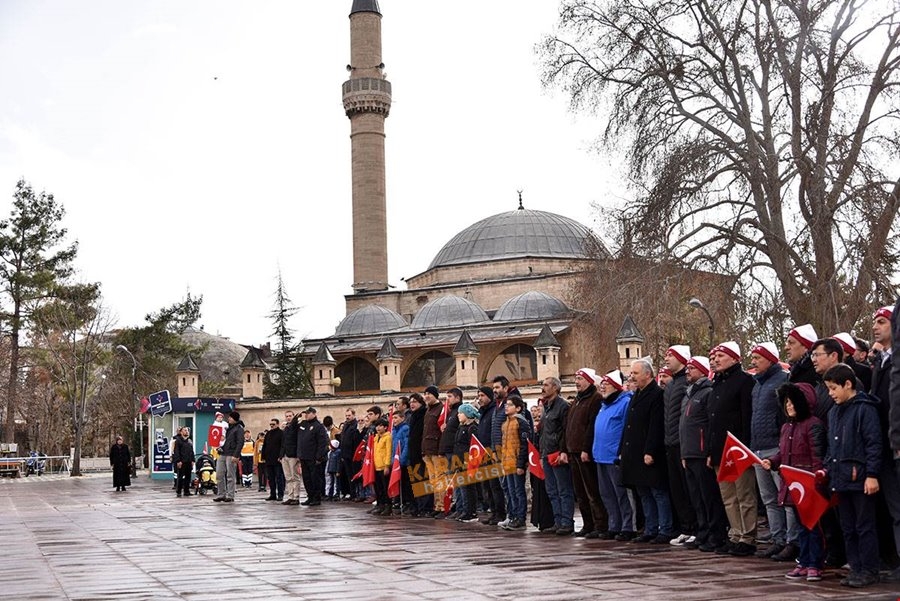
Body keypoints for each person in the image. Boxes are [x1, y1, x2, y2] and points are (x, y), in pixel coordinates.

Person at [822, 363, 882, 588]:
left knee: (864, 525)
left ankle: (869, 569)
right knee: (847, 527)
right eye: (827, 389)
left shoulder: (865, 409)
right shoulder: (834, 412)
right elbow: (831, 446)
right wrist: (827, 469)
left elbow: (873, 443)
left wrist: (872, 474)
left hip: (861, 478)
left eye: (833, 388)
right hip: (840, 479)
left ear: (848, 384)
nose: (830, 394)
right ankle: (855, 567)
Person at [760, 382, 826, 582]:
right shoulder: (786, 427)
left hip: (808, 485)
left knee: (813, 527)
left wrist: (817, 479)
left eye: (792, 402)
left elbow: (817, 456)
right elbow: (783, 453)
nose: (789, 406)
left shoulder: (813, 424)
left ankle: (815, 563)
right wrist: (772, 462)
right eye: (786, 402)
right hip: (792, 485)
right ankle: (804, 562)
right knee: (801, 526)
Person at [708, 341, 757, 556]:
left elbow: (746, 416)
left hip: (738, 449)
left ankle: (748, 537)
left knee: (744, 494)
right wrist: (711, 451)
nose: (716, 359)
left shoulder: (745, 381)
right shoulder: (716, 384)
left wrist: (746, 447)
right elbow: (712, 421)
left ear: (735, 358)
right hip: (719, 450)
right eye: (715, 356)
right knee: (728, 496)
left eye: (721, 355)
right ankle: (735, 534)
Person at [748, 342, 795, 561]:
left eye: (758, 358)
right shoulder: (757, 386)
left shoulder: (783, 380)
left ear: (769, 359)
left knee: (784, 497)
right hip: (758, 448)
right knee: (768, 498)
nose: (754, 362)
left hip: (777, 446)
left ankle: (791, 541)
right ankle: (778, 539)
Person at [621, 359, 672, 544]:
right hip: (634, 452)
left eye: (635, 373)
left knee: (658, 492)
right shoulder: (637, 394)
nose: (631, 377)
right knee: (643, 492)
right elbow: (629, 425)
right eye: (631, 373)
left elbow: (655, 425)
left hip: (650, 452)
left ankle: (665, 529)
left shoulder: (656, 394)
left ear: (648, 374)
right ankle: (650, 528)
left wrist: (650, 451)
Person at [679, 356, 728, 553]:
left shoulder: (707, 392)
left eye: (691, 368)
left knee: (709, 496)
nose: (687, 371)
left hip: (700, 453)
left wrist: (708, 450)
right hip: (689, 452)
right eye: (687, 368)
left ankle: (716, 533)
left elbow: (709, 425)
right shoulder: (689, 394)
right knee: (696, 497)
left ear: (701, 370)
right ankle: (703, 531)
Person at [592, 370, 635, 541]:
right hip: (600, 456)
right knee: (607, 494)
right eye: (601, 384)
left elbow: (627, 429)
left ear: (616, 386)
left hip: (614, 456)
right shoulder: (604, 405)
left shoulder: (625, 402)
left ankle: (627, 526)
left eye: (606, 384)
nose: (602, 387)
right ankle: (614, 524)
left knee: (622, 494)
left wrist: (623, 452)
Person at [567, 367, 608, 538]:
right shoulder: (577, 400)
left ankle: (600, 525)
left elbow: (591, 426)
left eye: (580, 379)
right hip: (573, 450)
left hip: (584, 452)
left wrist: (586, 448)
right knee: (580, 492)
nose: (577, 382)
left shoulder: (595, 399)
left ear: (590, 381)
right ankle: (587, 524)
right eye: (576, 378)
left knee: (592, 490)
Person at [662, 345, 698, 546]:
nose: (667, 358)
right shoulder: (670, 385)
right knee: (677, 489)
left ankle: (695, 527)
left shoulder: (686, 383)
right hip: (670, 443)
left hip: (683, 444)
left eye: (670, 355)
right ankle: (685, 527)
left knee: (688, 489)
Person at [540, 376, 574, 535]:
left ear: (555, 388)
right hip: (547, 453)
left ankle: (567, 522)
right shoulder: (546, 407)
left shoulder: (562, 406)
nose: (543, 387)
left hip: (557, 453)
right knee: (552, 490)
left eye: (546, 385)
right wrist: (541, 454)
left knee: (563, 489)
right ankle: (558, 520)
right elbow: (543, 433)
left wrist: (563, 451)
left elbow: (565, 431)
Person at [499, 395, 532, 531]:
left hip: (516, 462)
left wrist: (521, 464)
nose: (506, 407)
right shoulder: (506, 423)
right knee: (511, 491)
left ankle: (520, 518)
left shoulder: (520, 422)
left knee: (519, 491)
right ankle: (512, 516)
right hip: (507, 462)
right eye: (506, 404)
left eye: (510, 405)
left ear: (518, 408)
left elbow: (524, 445)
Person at [297, 406, 330, 506]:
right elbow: (293, 429)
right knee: (306, 479)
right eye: (305, 413)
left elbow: (322, 443)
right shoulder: (303, 424)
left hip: (313, 457)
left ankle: (316, 498)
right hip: (304, 456)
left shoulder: (318, 426)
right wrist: (297, 417)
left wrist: (319, 457)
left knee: (315, 478)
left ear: (314, 413)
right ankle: (310, 496)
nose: (306, 415)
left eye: (308, 413)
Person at [454, 402, 480, 522]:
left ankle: (471, 511)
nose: (458, 415)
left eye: (461, 413)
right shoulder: (461, 427)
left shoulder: (472, 428)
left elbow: (473, 446)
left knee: (468, 487)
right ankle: (465, 509)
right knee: (462, 487)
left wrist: (468, 460)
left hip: (467, 461)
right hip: (459, 461)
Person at [213, 411, 244, 502]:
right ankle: (221, 494)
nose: (229, 419)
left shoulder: (239, 428)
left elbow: (240, 442)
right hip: (223, 453)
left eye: (230, 417)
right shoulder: (228, 428)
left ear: (235, 419)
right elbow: (225, 441)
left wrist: (236, 455)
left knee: (230, 475)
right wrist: (220, 447)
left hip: (231, 454)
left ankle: (230, 495)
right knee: (219, 474)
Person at [371, 418, 393, 515]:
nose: (378, 428)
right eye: (377, 426)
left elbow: (388, 452)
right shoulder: (376, 438)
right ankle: (381, 505)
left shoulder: (387, 437)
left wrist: (387, 465)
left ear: (385, 427)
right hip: (376, 465)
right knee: (378, 488)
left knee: (385, 488)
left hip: (383, 466)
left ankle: (388, 506)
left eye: (380, 426)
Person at [281, 410, 302, 505]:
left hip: (293, 455)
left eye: (290, 416)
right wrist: (280, 455)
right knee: (288, 477)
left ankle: (296, 497)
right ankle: (290, 496)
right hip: (285, 455)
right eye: (287, 416)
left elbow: (298, 441)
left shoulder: (296, 427)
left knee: (295, 477)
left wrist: (298, 455)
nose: (288, 418)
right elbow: (283, 442)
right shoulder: (286, 428)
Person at [262, 417, 285, 501]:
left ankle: (280, 494)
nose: (271, 426)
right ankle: (272, 494)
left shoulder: (281, 433)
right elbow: (265, 445)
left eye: (273, 424)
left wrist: (281, 456)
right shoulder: (268, 434)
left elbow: (283, 446)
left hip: (277, 459)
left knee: (279, 478)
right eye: (270, 424)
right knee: (270, 478)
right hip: (269, 459)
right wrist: (263, 456)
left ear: (277, 424)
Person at [172, 426, 195, 497]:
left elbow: (192, 451)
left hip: (188, 461)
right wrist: (178, 461)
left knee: (188, 477)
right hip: (181, 462)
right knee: (180, 477)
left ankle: (186, 491)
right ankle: (178, 491)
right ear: (181, 432)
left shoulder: (189, 441)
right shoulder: (178, 441)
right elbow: (176, 451)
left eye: (187, 430)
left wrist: (193, 460)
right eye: (185, 430)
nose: (187, 432)